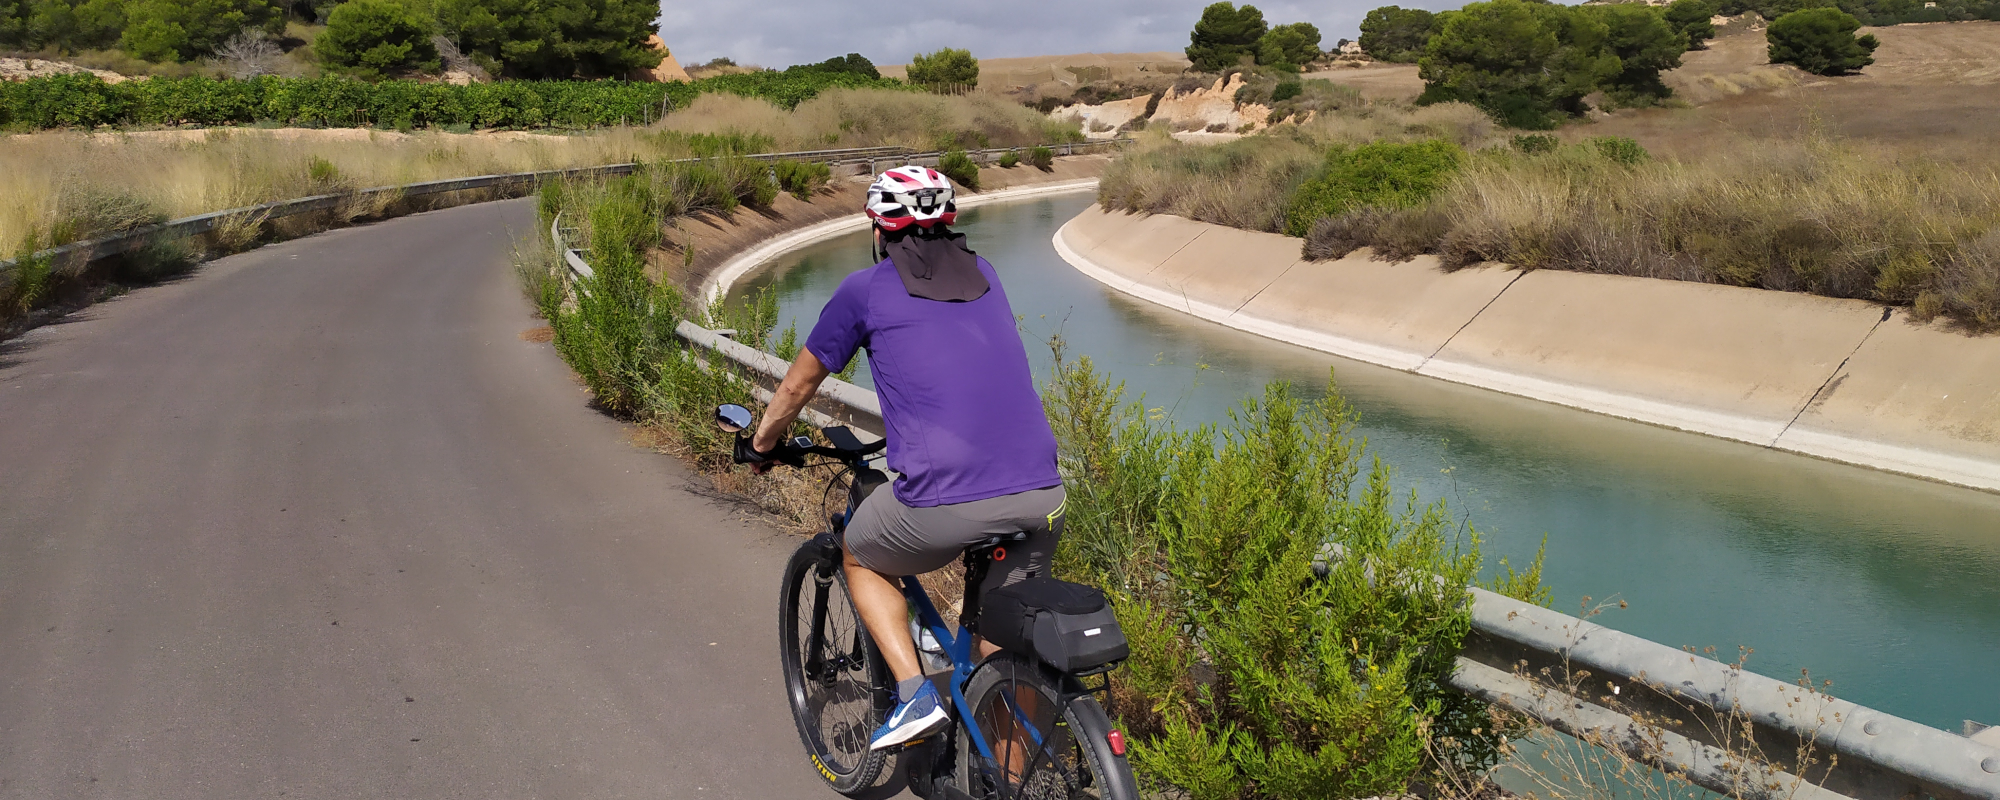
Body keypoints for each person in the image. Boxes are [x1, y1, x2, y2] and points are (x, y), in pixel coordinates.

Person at [745, 166, 1066, 751]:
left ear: (880, 229)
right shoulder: (988, 275)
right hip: (1043, 495)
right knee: (1001, 648)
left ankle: (915, 694)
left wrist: (761, 443)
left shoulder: (865, 290)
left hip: (948, 500)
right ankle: (1007, 778)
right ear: (948, 224)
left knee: (860, 553)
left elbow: (796, 386)